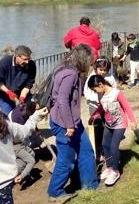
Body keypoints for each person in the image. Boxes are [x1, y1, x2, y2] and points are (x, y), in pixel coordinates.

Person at [48, 44, 98, 202]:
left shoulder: (63, 67)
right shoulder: (71, 74)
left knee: (86, 152)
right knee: (66, 160)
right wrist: (69, 125)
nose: (91, 63)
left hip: (72, 121)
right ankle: (55, 191)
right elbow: (62, 100)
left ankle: (90, 186)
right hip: (65, 123)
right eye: (90, 60)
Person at [88, 75, 137, 186]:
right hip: (109, 124)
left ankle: (115, 171)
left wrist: (133, 121)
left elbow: (127, 107)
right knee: (105, 145)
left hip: (120, 124)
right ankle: (109, 167)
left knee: (114, 147)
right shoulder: (101, 95)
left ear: (100, 85)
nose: (95, 92)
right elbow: (102, 107)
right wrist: (95, 115)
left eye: (95, 90)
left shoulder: (116, 93)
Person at [83, 57, 116, 161]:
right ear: (96, 68)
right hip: (95, 107)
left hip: (107, 107)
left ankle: (108, 150)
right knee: (97, 128)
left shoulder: (110, 78)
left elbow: (114, 91)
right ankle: (97, 151)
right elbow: (86, 93)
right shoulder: (91, 77)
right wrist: (96, 99)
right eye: (100, 69)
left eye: (105, 70)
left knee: (108, 127)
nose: (102, 72)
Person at [0, 45, 36, 115]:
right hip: (6, 97)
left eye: (29, 59)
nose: (27, 62)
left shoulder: (31, 65)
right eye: (25, 59)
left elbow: (29, 84)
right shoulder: (4, 63)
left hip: (24, 95)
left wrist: (22, 97)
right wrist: (8, 92)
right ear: (16, 56)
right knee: (7, 119)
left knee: (27, 116)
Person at [8, 102, 41, 188]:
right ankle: (17, 177)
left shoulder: (27, 108)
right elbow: (31, 161)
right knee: (28, 160)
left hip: (15, 144)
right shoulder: (19, 118)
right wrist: (21, 176)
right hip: (15, 139)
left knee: (31, 153)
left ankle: (22, 172)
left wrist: (35, 129)